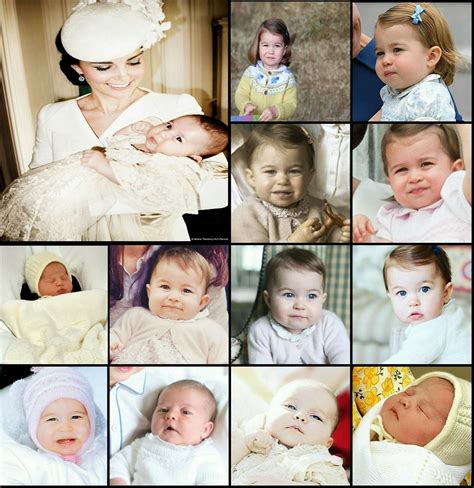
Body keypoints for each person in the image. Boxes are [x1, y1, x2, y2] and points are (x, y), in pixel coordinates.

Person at [26, 1, 226, 240]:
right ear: (78, 68)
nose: (123, 76)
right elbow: (34, 188)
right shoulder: (52, 116)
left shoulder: (178, 109)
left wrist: (117, 187)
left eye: (134, 61)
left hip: (153, 238)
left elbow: (220, 188)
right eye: (104, 67)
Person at [0, 115, 228, 241]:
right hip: (73, 174)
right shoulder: (151, 141)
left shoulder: (171, 165)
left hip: (112, 211)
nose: (163, 133)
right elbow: (115, 143)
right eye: (169, 125)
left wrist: (104, 165)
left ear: (193, 156)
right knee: (37, 201)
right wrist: (131, 129)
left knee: (62, 221)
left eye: (178, 139)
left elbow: (138, 183)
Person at [352, 124, 471, 243]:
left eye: (426, 164)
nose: (414, 178)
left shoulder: (458, 199)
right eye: (401, 170)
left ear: (455, 170)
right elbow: (384, 252)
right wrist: (365, 236)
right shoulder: (390, 218)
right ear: (390, 179)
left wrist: (463, 127)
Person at [231, 125, 350, 243]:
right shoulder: (246, 215)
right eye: (271, 171)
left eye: (294, 171)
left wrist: (344, 236)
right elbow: (256, 252)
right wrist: (293, 240)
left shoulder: (322, 209)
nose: (282, 180)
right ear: (252, 177)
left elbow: (334, 238)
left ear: (309, 175)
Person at [110, 247, 228, 364]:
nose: (173, 297)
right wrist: (111, 345)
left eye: (186, 290)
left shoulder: (212, 331)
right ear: (149, 292)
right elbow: (114, 337)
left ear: (202, 302)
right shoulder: (135, 316)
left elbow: (222, 363)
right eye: (165, 287)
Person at [353, 371, 471, 485]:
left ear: (441, 444)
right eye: (408, 392)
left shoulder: (421, 473)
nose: (405, 400)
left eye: (422, 409)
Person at [351, 3, 462, 122]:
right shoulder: (393, 91)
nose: (385, 61)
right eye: (380, 53)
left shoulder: (427, 97)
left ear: (431, 57)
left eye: (397, 50)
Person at [0, 367, 106, 485]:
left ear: (92, 419)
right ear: (32, 428)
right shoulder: (28, 462)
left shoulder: (103, 453)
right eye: (52, 419)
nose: (66, 428)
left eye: (76, 417)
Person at [232, 379, 348, 485]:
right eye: (291, 406)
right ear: (269, 413)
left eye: (316, 417)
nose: (300, 416)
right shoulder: (251, 430)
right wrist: (246, 444)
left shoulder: (320, 462)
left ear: (327, 443)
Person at [110, 379, 226, 485]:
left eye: (185, 412)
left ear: (205, 430)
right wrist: (119, 481)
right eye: (164, 410)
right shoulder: (145, 444)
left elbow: (215, 481)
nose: (170, 415)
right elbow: (120, 462)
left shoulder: (204, 455)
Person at [247, 248, 350, 364]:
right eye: (289, 294)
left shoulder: (330, 324)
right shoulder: (260, 331)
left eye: (311, 296)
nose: (300, 305)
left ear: (322, 300)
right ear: (269, 300)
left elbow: (343, 363)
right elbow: (262, 374)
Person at [382, 245, 470, 364]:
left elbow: (404, 362)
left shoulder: (435, 326)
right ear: (390, 296)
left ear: (446, 293)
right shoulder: (451, 315)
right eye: (401, 293)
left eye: (424, 289)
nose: (413, 302)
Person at [235, 18, 296, 121]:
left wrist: (275, 111)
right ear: (258, 46)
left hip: (274, 126)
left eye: (277, 46)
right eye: (265, 45)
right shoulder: (251, 72)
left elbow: (291, 105)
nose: (270, 51)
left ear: (284, 50)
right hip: (250, 121)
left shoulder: (288, 78)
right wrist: (246, 105)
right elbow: (240, 94)